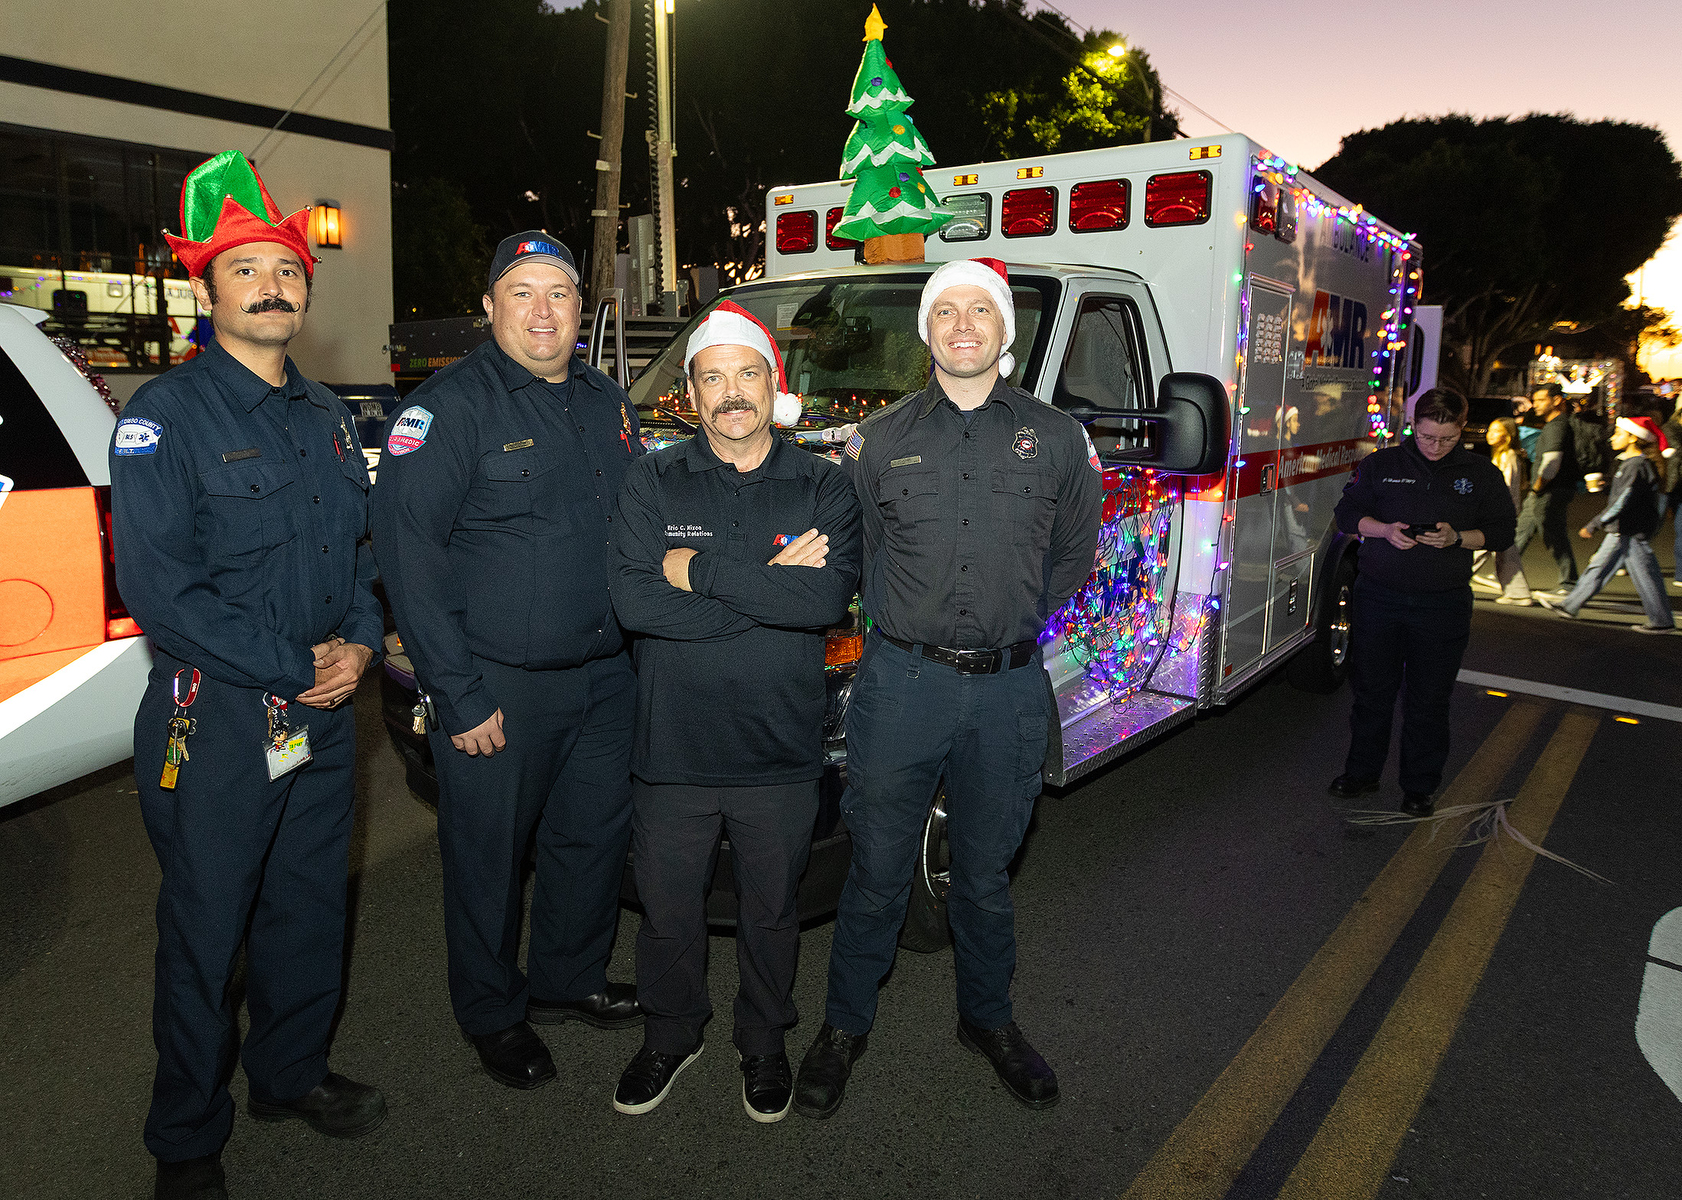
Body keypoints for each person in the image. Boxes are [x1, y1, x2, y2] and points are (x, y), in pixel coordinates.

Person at [111, 151, 386, 1200]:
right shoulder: (164, 416)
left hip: (322, 710)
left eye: (287, 271)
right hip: (221, 714)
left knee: (309, 906)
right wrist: (290, 664)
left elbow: (360, 553)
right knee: (205, 926)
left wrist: (361, 643)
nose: (273, 287)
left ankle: (290, 1073)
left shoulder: (327, 416)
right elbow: (159, 589)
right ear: (206, 292)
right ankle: (185, 1136)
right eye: (246, 271)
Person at [793, 258, 1104, 1118]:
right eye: (945, 311)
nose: (963, 325)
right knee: (878, 869)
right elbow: (852, 552)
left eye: (980, 310)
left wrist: (1012, 619)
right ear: (926, 330)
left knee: (985, 873)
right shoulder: (877, 440)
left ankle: (988, 1019)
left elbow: (1074, 553)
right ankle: (843, 1027)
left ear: (1006, 330)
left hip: (1007, 693)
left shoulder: (1057, 439)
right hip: (902, 687)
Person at [371, 232, 643, 1093]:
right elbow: (409, 558)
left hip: (605, 676)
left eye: (559, 292)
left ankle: (568, 979)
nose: (542, 311)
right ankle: (491, 1012)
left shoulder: (607, 400)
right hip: (498, 687)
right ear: (489, 307)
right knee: (488, 857)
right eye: (521, 293)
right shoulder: (447, 410)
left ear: (581, 308)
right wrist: (456, 693)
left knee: (589, 840)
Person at [607, 302, 862, 1121]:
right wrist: (768, 588)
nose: (730, 393)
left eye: (746, 373)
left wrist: (700, 570)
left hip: (778, 750)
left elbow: (822, 600)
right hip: (672, 750)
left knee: (772, 913)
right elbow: (635, 604)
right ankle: (671, 1033)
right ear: (690, 393)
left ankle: (764, 1041)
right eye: (711, 378)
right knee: (667, 913)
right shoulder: (653, 479)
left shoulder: (823, 483)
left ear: (771, 382)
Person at [1327, 388, 1517, 817]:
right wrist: (1383, 530)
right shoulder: (1382, 464)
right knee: (1371, 693)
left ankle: (1419, 786)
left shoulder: (1480, 473)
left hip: (1442, 605)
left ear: (1462, 429)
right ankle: (1361, 773)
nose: (1435, 446)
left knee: (1429, 700)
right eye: (1428, 436)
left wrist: (1458, 538)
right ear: (1413, 425)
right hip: (1379, 597)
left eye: (1447, 439)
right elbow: (1346, 514)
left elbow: (1502, 531)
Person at [1537, 416, 1675, 633]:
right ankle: (1570, 605)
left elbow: (1623, 500)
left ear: (1633, 438)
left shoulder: (1636, 465)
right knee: (1598, 568)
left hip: (1630, 530)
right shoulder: (1631, 464)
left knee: (1645, 575)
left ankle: (1662, 621)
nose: (1613, 438)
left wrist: (1595, 523)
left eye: (1619, 434)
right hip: (1622, 530)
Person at [1511, 383, 1580, 592]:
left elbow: (1552, 462)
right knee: (1521, 531)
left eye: (1541, 400)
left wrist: (1537, 487)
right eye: (1535, 401)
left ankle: (1569, 582)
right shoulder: (1556, 425)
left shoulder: (1557, 426)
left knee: (1553, 534)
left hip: (1550, 490)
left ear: (1556, 400)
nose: (1535, 405)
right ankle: (1506, 571)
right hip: (1548, 490)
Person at [1471, 417, 1534, 605]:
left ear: (1507, 436)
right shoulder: (1502, 455)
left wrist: (1494, 509)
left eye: (1496, 431)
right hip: (1501, 511)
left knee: (1477, 547)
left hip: (1499, 512)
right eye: (1490, 430)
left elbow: (1507, 487)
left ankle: (1447, 583)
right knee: (1505, 551)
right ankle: (1518, 593)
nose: (1490, 434)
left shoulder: (1508, 456)